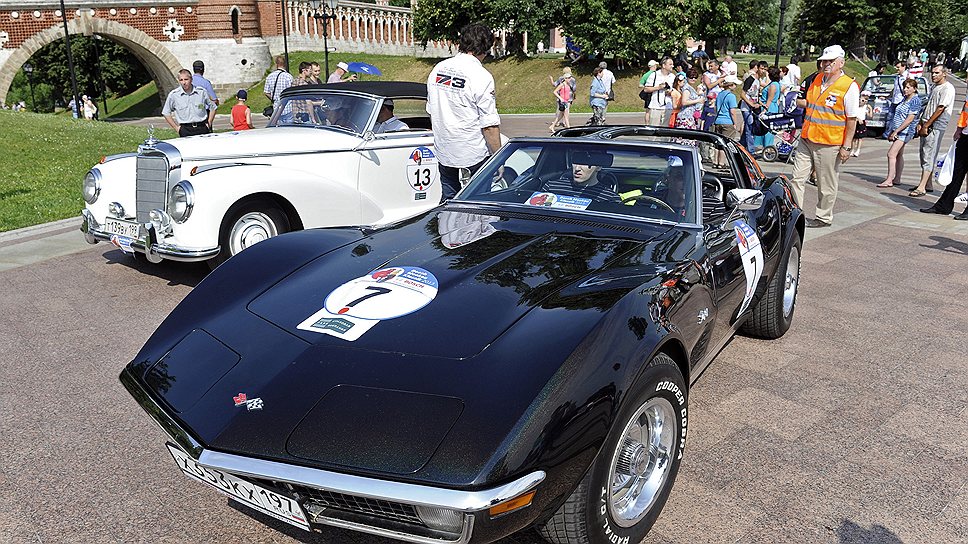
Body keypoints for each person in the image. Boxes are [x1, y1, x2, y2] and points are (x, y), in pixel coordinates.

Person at [426, 22, 501, 202]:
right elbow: (489, 126)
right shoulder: (481, 75)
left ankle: (447, 229)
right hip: (473, 151)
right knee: (479, 204)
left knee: (449, 201)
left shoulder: (438, 69)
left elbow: (431, 109)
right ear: (485, 48)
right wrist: (499, 158)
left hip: (444, 149)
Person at [791, 45, 860, 228]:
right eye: (824, 61)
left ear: (841, 63)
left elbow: (851, 119)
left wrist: (846, 146)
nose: (826, 64)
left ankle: (823, 217)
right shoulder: (817, 79)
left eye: (831, 61)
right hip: (807, 138)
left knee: (825, 182)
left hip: (829, 143)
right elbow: (811, 103)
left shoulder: (849, 86)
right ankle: (795, 214)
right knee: (797, 178)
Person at [909, 66, 956, 197]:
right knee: (924, 154)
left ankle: (922, 187)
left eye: (937, 73)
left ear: (944, 74)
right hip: (926, 123)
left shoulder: (948, 88)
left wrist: (927, 124)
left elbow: (941, 108)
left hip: (935, 126)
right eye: (933, 73)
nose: (934, 75)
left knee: (929, 155)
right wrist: (921, 122)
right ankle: (927, 183)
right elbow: (929, 105)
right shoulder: (935, 87)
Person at [920, 95, 968, 219]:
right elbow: (965, 110)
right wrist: (959, 129)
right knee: (956, 171)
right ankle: (943, 205)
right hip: (966, 135)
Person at [876, 79, 921, 188]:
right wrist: (893, 129)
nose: (905, 89)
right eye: (905, 87)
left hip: (904, 132)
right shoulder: (905, 99)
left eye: (908, 87)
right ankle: (897, 178)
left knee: (891, 154)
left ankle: (889, 179)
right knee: (899, 154)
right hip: (899, 130)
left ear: (914, 89)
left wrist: (897, 131)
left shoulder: (915, 101)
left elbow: (909, 119)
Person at [541, 151, 620, 202]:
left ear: (598, 167)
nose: (577, 168)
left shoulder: (610, 198)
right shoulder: (551, 187)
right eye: (575, 161)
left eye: (585, 163)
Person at [163, 68, 216, 137]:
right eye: (181, 80)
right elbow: (166, 112)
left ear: (191, 80)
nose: (184, 82)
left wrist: (209, 122)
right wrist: (176, 128)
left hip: (202, 127)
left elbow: (213, 107)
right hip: (185, 129)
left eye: (186, 79)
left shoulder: (201, 92)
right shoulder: (174, 95)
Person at [712, 75, 744, 166]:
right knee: (725, 143)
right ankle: (721, 162)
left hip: (718, 120)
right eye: (734, 84)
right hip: (728, 121)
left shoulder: (720, 94)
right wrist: (735, 123)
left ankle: (715, 161)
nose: (735, 86)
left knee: (717, 143)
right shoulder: (731, 96)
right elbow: (732, 111)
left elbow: (716, 108)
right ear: (730, 85)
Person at [643, 57, 675, 126]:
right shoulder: (654, 75)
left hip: (668, 107)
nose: (672, 66)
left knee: (666, 130)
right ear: (664, 65)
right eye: (670, 64)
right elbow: (646, 89)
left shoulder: (672, 76)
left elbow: (675, 90)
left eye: (672, 64)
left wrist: (670, 92)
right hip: (655, 106)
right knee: (654, 129)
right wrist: (658, 87)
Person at [674, 68, 704, 133]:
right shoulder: (686, 89)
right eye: (691, 77)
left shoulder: (690, 88)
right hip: (685, 116)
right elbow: (684, 102)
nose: (693, 79)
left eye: (695, 77)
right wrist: (698, 100)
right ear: (687, 77)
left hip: (690, 116)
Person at [549, 67, 574, 132]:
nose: (569, 79)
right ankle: (568, 128)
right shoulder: (562, 84)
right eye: (567, 78)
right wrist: (560, 98)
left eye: (570, 78)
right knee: (566, 115)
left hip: (567, 100)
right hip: (563, 102)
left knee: (560, 116)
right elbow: (554, 91)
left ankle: (552, 126)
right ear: (565, 78)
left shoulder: (569, 84)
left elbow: (573, 90)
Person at [851, 90, 873, 157]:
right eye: (863, 100)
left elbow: (870, 116)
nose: (864, 101)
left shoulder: (865, 107)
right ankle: (852, 150)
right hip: (856, 121)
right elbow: (853, 114)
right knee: (854, 138)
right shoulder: (856, 106)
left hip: (862, 123)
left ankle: (858, 150)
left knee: (860, 138)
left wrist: (870, 109)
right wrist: (858, 119)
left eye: (866, 100)